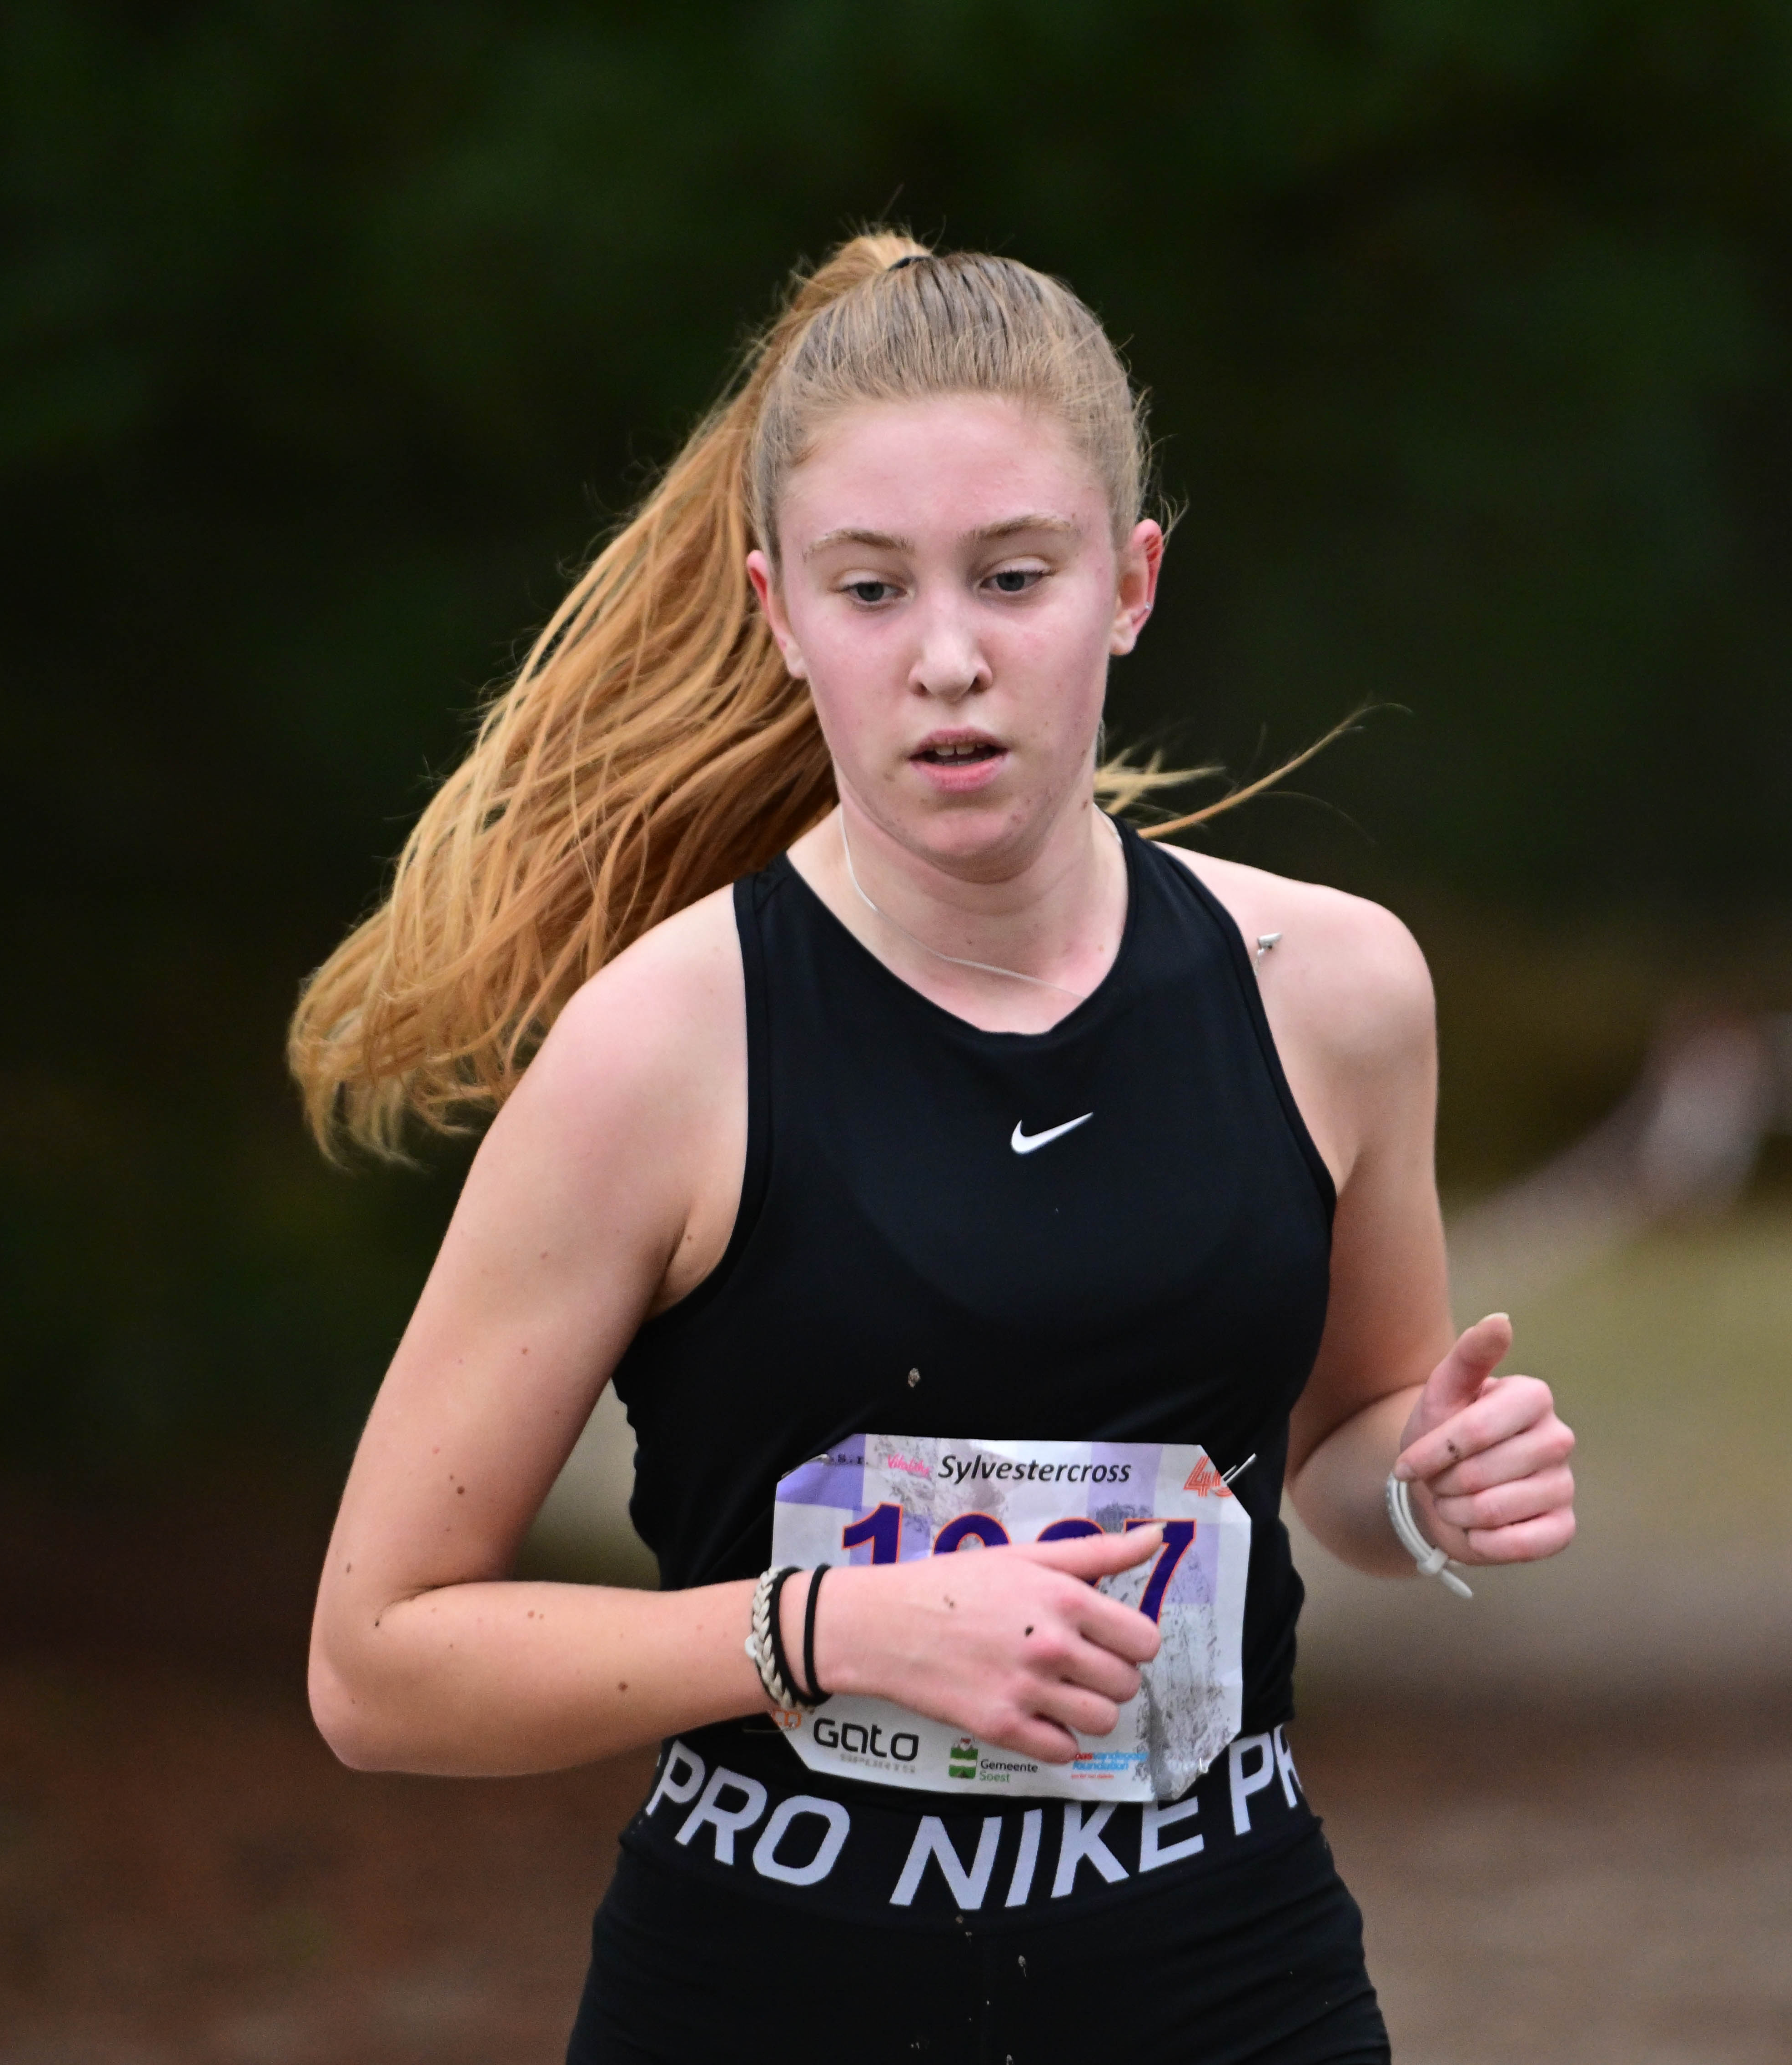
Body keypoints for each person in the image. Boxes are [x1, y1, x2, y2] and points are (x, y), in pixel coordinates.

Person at [291, 232, 1577, 2065]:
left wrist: (1431, 1489)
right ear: (777, 611)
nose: (949, 660)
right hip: (767, 2003)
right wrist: (829, 1631)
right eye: (872, 589)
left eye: (1014, 576)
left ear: (1131, 583)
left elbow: (1344, 1452)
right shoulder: (661, 1050)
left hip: (1227, 1989)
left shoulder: (1334, 992)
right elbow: (376, 1663)